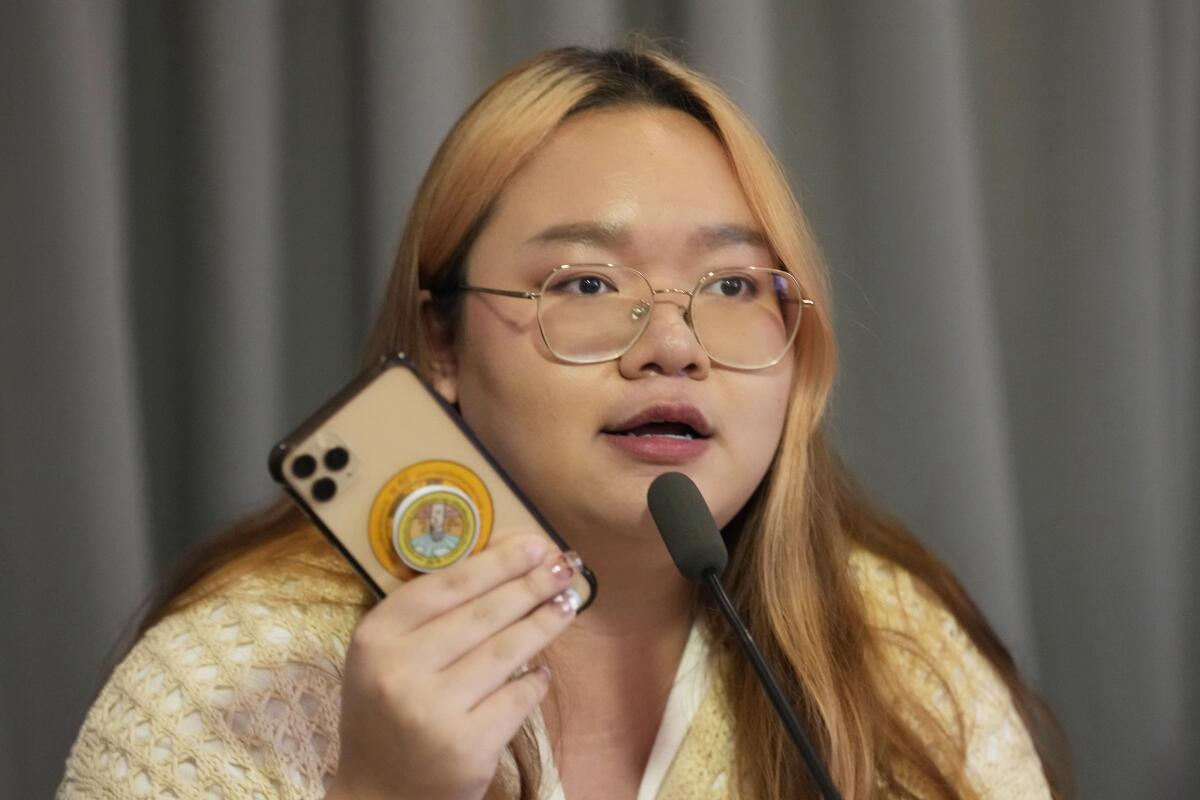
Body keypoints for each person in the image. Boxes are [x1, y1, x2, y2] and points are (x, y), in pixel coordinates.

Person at [58, 44, 1069, 799]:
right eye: (585, 280)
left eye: (730, 282)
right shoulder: (227, 686)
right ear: (441, 342)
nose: (673, 343)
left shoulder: (900, 657)